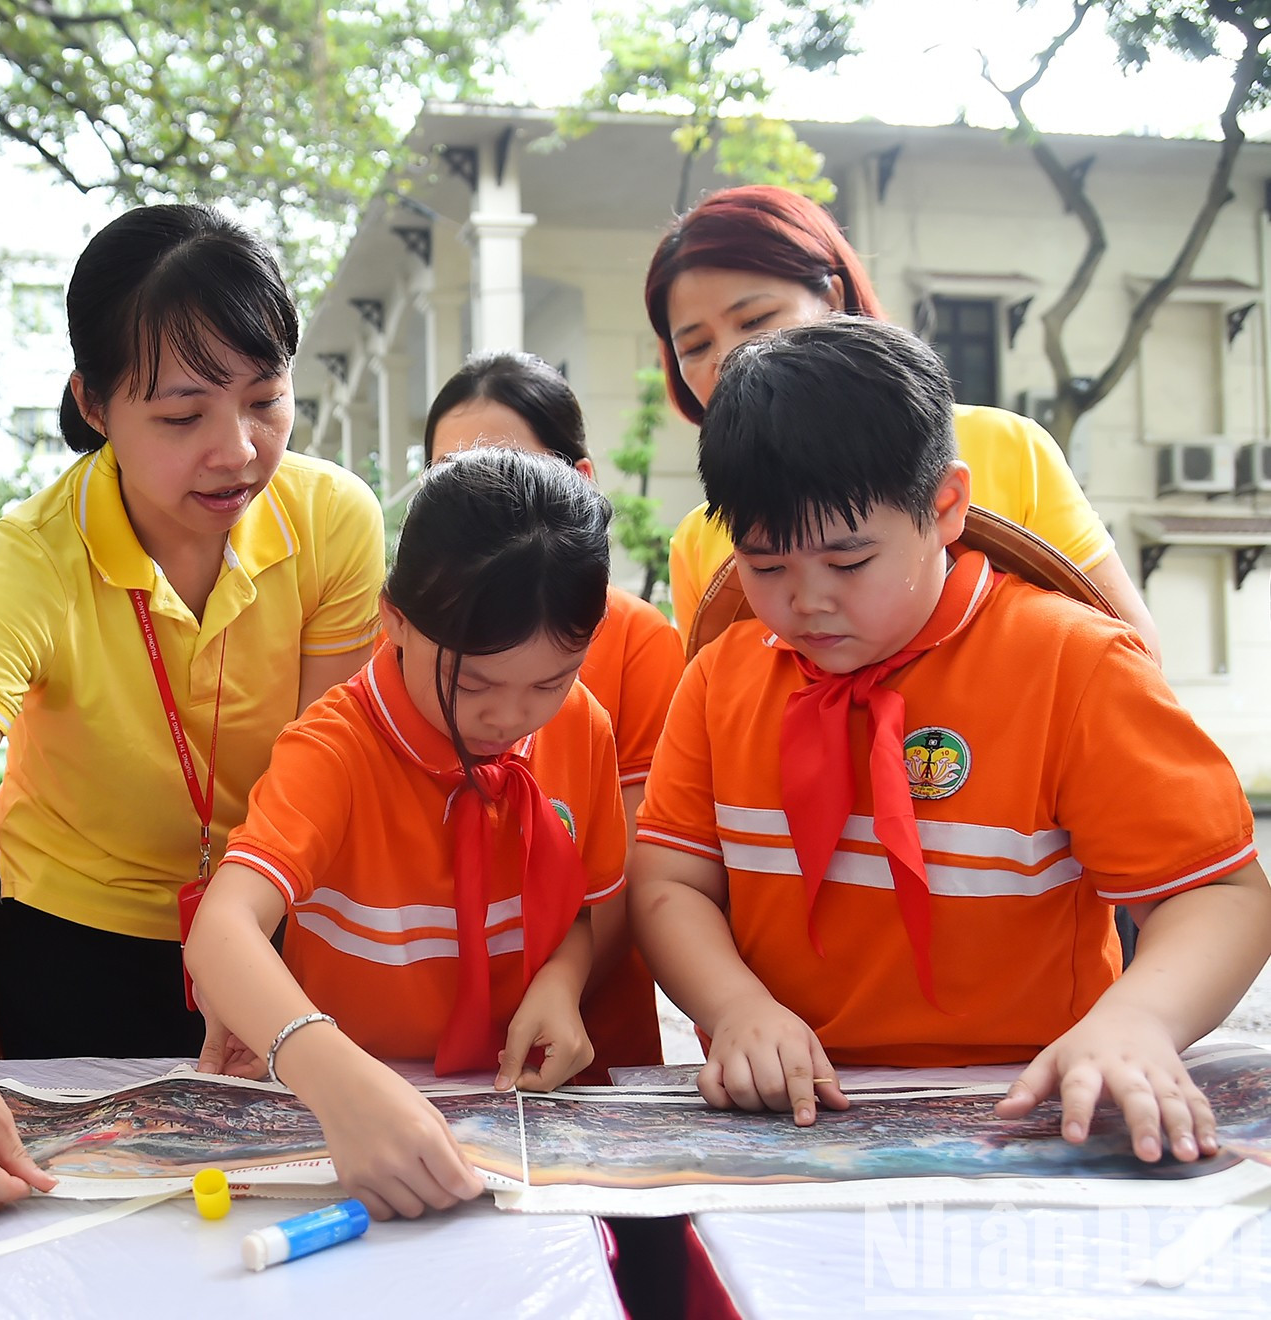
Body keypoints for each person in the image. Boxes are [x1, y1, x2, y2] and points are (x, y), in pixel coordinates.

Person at [0, 204, 386, 1218]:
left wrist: (255, 965)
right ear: (94, 403)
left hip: (271, 920)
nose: (238, 452)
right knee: (85, 1221)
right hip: (74, 937)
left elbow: (328, 784)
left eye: (268, 401)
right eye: (182, 416)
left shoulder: (333, 521)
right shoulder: (30, 561)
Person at [630, 318, 1270, 1165]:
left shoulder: (1071, 665)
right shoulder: (722, 678)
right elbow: (671, 882)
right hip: (791, 1116)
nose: (806, 601)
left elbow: (1221, 896)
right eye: (767, 564)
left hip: (1038, 1101)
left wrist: (1135, 1026)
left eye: (849, 561)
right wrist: (736, 1006)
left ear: (946, 505)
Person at [185, 447, 627, 1220]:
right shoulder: (337, 748)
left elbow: (584, 910)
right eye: (475, 682)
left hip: (517, 1125)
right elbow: (223, 929)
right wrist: (333, 1080)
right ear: (393, 616)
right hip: (354, 1122)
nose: (509, 718)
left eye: (549, 682)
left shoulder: (581, 727)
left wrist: (560, 985)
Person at [646, 184, 1160, 653]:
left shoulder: (1005, 446)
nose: (731, 356)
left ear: (833, 298)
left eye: (755, 319)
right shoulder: (700, 542)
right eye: (695, 345)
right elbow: (710, 718)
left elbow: (1133, 665)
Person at [423, 351, 682, 1070]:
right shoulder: (423, 653)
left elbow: (625, 871)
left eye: (511, 468)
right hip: (440, 1038)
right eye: (452, 478)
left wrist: (555, 985)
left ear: (580, 480)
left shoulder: (635, 642)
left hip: (590, 1039)